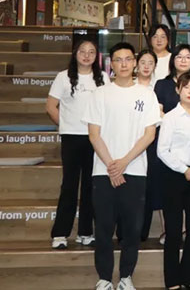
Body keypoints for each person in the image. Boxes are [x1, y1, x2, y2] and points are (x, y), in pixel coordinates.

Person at [84, 42, 160, 290]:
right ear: (111, 64)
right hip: (103, 171)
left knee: (132, 229)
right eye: (119, 60)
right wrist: (111, 166)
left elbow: (149, 134)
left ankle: (126, 276)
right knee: (103, 228)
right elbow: (94, 134)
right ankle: (105, 278)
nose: (124, 64)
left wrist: (124, 162)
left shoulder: (146, 94)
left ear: (135, 63)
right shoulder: (99, 94)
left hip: (135, 170)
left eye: (128, 59)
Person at [47, 37, 107, 250]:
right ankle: (60, 233)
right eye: (83, 51)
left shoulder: (103, 78)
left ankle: (85, 232)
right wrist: (65, 124)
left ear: (96, 56)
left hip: (95, 138)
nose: (87, 55)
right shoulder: (63, 77)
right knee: (69, 186)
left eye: (91, 52)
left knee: (91, 186)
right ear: (75, 54)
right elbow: (51, 106)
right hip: (71, 137)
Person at [149, 44, 190, 242]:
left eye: (188, 57)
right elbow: (158, 112)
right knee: (170, 209)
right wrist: (173, 122)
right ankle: (169, 232)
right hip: (170, 150)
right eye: (179, 56)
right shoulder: (162, 85)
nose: (183, 60)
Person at [157, 72, 190, 290]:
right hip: (174, 176)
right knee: (173, 231)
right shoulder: (170, 117)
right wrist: (184, 170)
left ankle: (189, 277)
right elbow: (163, 151)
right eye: (186, 87)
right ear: (178, 90)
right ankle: (172, 281)